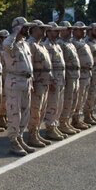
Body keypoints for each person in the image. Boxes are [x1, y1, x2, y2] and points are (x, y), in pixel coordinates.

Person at [1, 17, 36, 156]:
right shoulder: (10, 42)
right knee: (14, 112)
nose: (27, 29)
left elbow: (29, 64)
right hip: (14, 81)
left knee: (25, 112)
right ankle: (13, 141)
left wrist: (31, 81)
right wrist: (15, 33)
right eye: (24, 27)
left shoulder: (24, 44)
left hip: (26, 81)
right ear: (17, 28)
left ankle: (20, 137)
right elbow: (6, 46)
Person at [26, 19, 54, 147]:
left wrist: (51, 77)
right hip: (37, 82)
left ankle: (36, 133)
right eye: (40, 28)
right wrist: (32, 81)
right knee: (35, 110)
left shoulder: (41, 44)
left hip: (44, 81)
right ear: (32, 29)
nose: (43, 31)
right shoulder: (30, 44)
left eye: (44, 29)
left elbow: (47, 64)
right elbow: (29, 65)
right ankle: (32, 135)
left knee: (42, 109)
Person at [43, 22, 68, 139]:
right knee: (52, 104)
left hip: (60, 77)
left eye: (58, 31)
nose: (58, 32)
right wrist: (51, 81)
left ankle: (55, 125)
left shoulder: (57, 45)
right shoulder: (46, 45)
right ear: (48, 32)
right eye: (55, 31)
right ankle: (50, 128)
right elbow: (48, 66)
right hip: (54, 79)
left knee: (59, 104)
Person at [57, 21, 82, 134]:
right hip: (68, 75)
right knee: (67, 100)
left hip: (75, 75)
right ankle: (62, 123)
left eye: (71, 29)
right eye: (68, 29)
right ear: (61, 30)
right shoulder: (60, 43)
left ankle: (67, 121)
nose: (71, 31)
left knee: (73, 100)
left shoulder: (70, 43)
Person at [71, 22, 95, 129]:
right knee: (78, 98)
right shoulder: (73, 43)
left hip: (87, 73)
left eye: (84, 29)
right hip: (80, 74)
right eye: (80, 29)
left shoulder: (83, 42)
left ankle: (80, 118)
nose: (83, 31)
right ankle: (75, 120)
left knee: (84, 97)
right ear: (74, 30)